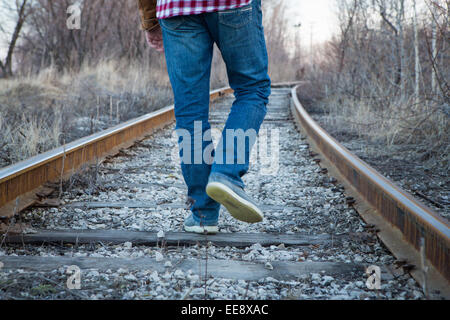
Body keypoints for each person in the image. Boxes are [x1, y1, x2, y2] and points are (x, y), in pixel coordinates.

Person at [137, 0, 271, 234]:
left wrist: (150, 21)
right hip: (233, 5)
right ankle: (227, 172)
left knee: (190, 107)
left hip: (176, 8)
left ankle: (203, 213)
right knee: (252, 89)